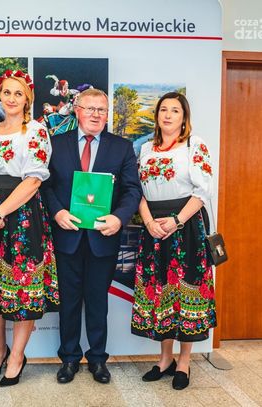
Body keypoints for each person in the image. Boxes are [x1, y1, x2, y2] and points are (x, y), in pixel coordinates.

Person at [42, 88, 142, 384]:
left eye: (101, 110)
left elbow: (132, 190)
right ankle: (69, 359)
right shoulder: (55, 144)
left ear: (107, 114)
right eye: (90, 108)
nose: (96, 114)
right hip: (67, 236)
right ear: (77, 110)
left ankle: (98, 359)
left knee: (98, 302)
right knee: (69, 302)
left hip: (103, 238)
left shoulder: (121, 147)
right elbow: (44, 185)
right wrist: (57, 212)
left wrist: (119, 217)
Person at [0, 69, 59, 387]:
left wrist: (0, 212)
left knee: (23, 289)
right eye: (6, 92)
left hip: (22, 215)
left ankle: (18, 356)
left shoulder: (35, 131)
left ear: (27, 99)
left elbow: (34, 180)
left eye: (18, 93)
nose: (11, 98)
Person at [131, 92, 217, 390]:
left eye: (175, 110)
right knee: (161, 292)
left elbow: (202, 192)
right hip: (154, 227)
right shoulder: (145, 149)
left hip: (186, 226)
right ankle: (165, 359)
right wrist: (148, 222)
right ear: (157, 116)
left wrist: (177, 220)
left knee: (185, 291)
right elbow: (137, 190)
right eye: (163, 110)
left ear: (184, 117)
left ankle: (184, 362)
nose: (168, 115)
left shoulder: (195, 145)